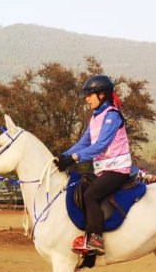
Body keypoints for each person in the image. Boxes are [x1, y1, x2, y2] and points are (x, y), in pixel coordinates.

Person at [53, 75, 132, 254]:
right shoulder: (95, 118)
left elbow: (100, 146)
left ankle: (96, 239)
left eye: (89, 95)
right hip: (104, 170)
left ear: (102, 95)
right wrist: (62, 156)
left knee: (91, 195)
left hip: (118, 170)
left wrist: (73, 158)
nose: (86, 99)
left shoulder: (113, 115)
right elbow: (84, 142)